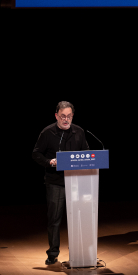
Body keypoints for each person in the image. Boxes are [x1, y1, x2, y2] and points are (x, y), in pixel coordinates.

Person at [32, 101, 90, 265]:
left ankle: (79, 252)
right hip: (55, 182)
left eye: (69, 116)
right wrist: (49, 162)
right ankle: (53, 253)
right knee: (55, 219)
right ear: (56, 115)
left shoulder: (78, 131)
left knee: (79, 218)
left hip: (76, 182)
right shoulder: (47, 132)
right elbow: (36, 154)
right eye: (63, 116)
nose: (66, 119)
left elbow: (86, 153)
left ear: (73, 116)